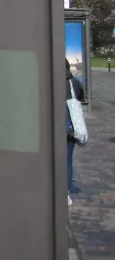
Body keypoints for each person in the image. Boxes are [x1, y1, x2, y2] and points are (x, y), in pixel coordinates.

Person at [66, 59, 86, 206]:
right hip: (70, 129)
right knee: (67, 160)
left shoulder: (50, 79)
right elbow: (81, 97)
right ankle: (65, 191)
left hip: (56, 127)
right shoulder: (73, 82)